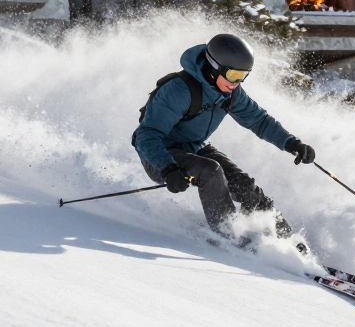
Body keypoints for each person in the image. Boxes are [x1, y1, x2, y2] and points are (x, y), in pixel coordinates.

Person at [131, 33, 316, 243]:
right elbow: (146, 136)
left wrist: (291, 143)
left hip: (194, 147)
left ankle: (288, 242)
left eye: (243, 75)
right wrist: (168, 168)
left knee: (244, 185)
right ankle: (230, 238)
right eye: (233, 75)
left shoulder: (230, 93)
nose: (237, 82)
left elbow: (259, 121)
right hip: (159, 155)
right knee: (210, 171)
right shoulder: (179, 90)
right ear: (214, 68)